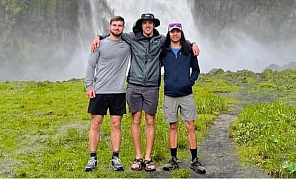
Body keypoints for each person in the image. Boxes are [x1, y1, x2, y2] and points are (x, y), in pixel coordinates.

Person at [91, 13, 199, 172]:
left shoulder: (161, 40)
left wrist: (193, 43)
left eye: (151, 23)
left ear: (154, 25)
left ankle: (148, 157)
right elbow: (116, 32)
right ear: (141, 25)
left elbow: (177, 39)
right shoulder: (132, 38)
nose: (148, 25)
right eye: (145, 23)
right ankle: (138, 156)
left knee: (150, 120)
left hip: (151, 86)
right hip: (134, 84)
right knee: (136, 119)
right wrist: (98, 36)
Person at [84, 15, 131, 172]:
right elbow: (91, 66)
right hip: (100, 90)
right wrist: (89, 86)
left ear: (123, 28)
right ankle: (92, 158)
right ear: (109, 27)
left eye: (120, 26)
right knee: (96, 123)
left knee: (116, 124)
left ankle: (115, 157)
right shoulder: (100, 44)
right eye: (114, 25)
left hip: (118, 91)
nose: (117, 28)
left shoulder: (128, 44)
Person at [160, 22, 206, 174]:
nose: (175, 34)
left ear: (181, 33)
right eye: (172, 32)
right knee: (172, 126)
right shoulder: (164, 50)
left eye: (177, 32)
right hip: (170, 94)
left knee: (190, 126)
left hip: (186, 93)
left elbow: (196, 69)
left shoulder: (188, 50)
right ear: (169, 33)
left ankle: (194, 159)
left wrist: (190, 82)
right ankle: (173, 159)